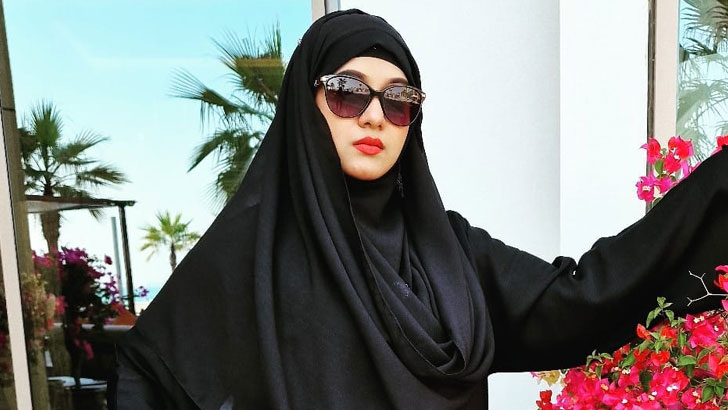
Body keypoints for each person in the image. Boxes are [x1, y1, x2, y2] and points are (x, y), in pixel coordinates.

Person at [107, 9, 728, 410]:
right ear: (306, 103)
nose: (375, 115)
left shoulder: (448, 254)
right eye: (348, 93)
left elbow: (582, 299)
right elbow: (151, 372)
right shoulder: (249, 259)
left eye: (399, 99)